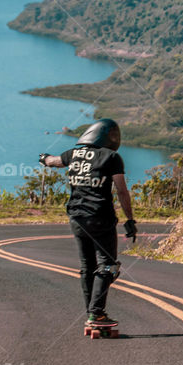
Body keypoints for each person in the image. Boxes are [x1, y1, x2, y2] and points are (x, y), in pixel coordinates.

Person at [39, 118, 137, 326]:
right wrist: (130, 219)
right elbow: (121, 190)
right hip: (101, 218)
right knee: (109, 266)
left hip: (76, 218)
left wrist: (44, 158)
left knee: (87, 267)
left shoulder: (74, 154)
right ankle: (96, 313)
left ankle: (91, 313)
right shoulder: (112, 157)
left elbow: (53, 162)